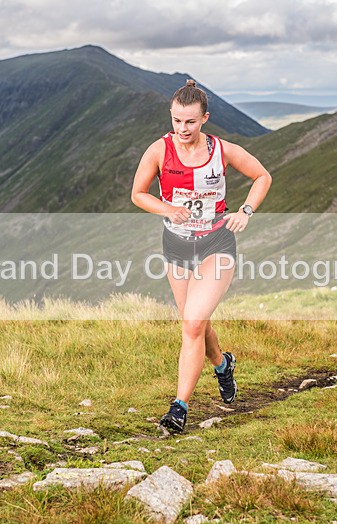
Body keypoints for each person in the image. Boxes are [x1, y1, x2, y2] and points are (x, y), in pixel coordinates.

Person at [131, 79, 272, 432]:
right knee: (198, 323)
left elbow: (262, 176)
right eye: (177, 121)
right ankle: (222, 365)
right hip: (177, 247)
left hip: (216, 244)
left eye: (190, 121)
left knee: (192, 324)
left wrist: (246, 211)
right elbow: (137, 194)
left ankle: (179, 408)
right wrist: (166, 209)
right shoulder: (158, 151)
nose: (182, 129)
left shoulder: (221, 151)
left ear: (205, 118)